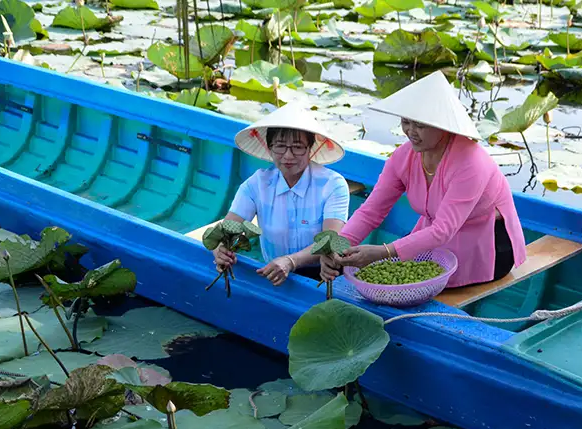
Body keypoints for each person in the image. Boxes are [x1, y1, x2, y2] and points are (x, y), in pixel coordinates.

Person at [320, 71, 527, 288]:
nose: (411, 132)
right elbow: (371, 211)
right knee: (396, 277)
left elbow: (443, 230)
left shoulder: (471, 162)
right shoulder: (403, 157)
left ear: (443, 125)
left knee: (404, 281)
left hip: (488, 246)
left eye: (420, 125)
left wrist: (384, 252)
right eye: (406, 122)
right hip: (430, 239)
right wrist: (339, 246)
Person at [212, 105, 349, 286]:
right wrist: (220, 248)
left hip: (324, 272)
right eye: (280, 146)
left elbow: (330, 239)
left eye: (298, 147)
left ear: (310, 149)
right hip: (274, 272)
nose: (288, 155)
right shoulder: (257, 184)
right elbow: (228, 228)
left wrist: (291, 261)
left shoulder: (333, 184)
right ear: (269, 149)